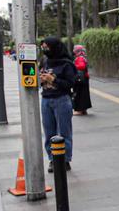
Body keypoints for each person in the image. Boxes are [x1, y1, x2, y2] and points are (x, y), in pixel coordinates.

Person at [39, 36, 78, 172]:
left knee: (64, 132)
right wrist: (41, 80)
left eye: (47, 47)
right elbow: (36, 75)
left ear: (55, 47)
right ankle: (52, 159)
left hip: (61, 99)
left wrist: (53, 80)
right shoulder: (44, 61)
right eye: (43, 48)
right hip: (46, 100)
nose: (45, 50)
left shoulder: (66, 64)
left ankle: (65, 160)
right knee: (49, 132)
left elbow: (70, 83)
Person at [72, 44, 93, 115]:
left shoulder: (80, 58)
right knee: (84, 94)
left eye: (75, 49)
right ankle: (84, 110)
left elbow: (81, 66)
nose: (74, 51)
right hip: (84, 79)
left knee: (79, 94)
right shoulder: (83, 57)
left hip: (80, 79)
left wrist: (73, 66)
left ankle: (79, 110)